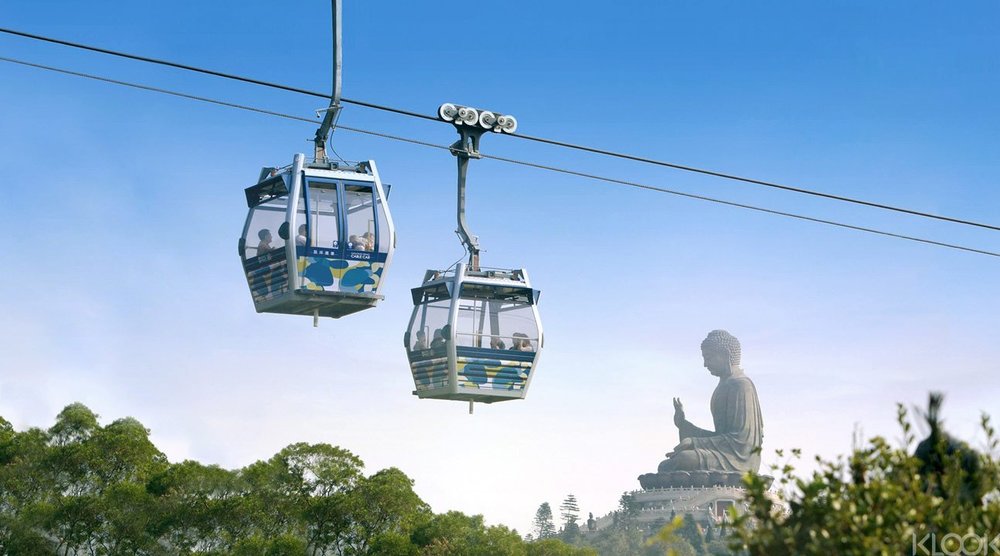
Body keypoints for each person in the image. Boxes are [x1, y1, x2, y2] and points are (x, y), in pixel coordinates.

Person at [657, 330, 763, 474]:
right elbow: (720, 436)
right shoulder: (723, 386)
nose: (705, 364)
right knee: (666, 466)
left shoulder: (741, 385)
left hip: (739, 460)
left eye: (709, 357)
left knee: (683, 459)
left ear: (725, 355)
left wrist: (694, 442)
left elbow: (741, 441)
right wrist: (684, 425)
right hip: (724, 453)